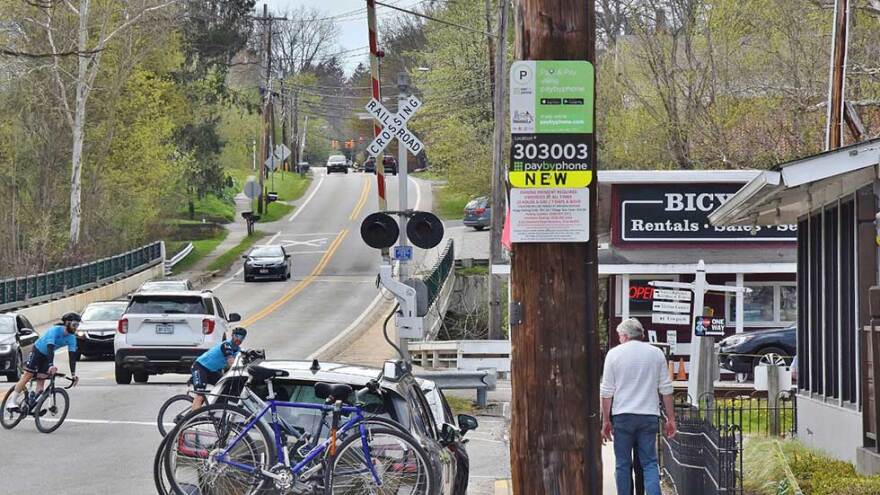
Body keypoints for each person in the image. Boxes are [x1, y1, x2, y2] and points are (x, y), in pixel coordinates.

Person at [600, 318, 676, 495]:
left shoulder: (614, 354)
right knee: (649, 463)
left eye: (620, 336)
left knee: (622, 464)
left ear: (625, 336)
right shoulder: (656, 353)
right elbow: (666, 389)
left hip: (623, 416)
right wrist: (671, 418)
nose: (619, 339)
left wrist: (605, 420)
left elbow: (606, 392)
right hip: (648, 415)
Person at [6, 312, 81, 411]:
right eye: (74, 324)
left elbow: (72, 357)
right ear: (67, 323)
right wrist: (51, 365)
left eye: (78, 325)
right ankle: (12, 401)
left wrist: (73, 374)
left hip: (46, 356)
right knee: (28, 375)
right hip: (37, 351)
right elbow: (50, 347)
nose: (76, 327)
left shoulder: (71, 337)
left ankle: (32, 406)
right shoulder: (54, 330)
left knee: (41, 380)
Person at [190, 327, 247, 411]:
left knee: (225, 387)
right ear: (232, 336)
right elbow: (232, 363)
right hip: (200, 367)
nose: (239, 339)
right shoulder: (226, 345)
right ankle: (193, 419)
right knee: (200, 394)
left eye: (242, 337)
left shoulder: (238, 350)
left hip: (212, 371)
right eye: (237, 336)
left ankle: (215, 411)